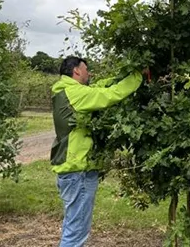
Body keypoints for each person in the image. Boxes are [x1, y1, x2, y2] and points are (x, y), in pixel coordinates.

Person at [50, 56, 143, 247]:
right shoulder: (74, 93)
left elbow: (99, 87)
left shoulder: (66, 90)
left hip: (71, 170)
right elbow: (110, 95)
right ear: (76, 71)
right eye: (86, 69)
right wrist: (137, 76)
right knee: (76, 233)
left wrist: (118, 76)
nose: (89, 73)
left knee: (72, 226)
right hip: (78, 172)